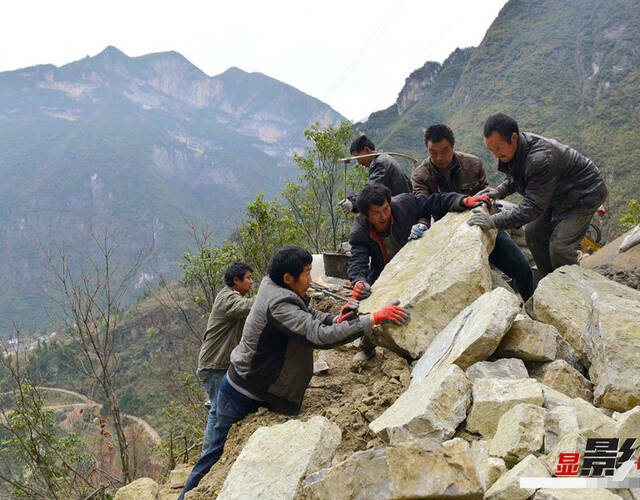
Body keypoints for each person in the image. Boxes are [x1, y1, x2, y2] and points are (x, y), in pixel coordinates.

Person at [178, 246, 410, 499]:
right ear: (288, 278)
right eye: (307, 273)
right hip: (244, 391)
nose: (311, 279)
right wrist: (373, 319)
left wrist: (335, 319)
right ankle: (187, 495)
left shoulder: (277, 287)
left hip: (253, 386)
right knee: (214, 455)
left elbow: (308, 313)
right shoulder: (279, 302)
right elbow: (318, 336)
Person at [347, 183, 489, 361]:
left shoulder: (403, 204)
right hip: (384, 274)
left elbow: (435, 201)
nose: (384, 216)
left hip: (414, 263)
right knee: (373, 304)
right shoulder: (359, 231)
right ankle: (367, 344)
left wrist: (463, 200)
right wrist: (358, 281)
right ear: (365, 215)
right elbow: (357, 261)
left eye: (385, 209)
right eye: (376, 213)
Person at [468, 113, 608, 277]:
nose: (495, 154)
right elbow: (518, 176)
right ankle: (550, 280)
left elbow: (531, 208)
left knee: (560, 247)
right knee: (534, 233)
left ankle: (574, 289)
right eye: (490, 150)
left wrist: (492, 221)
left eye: (497, 149)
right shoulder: (518, 148)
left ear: (513, 138)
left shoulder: (541, 158)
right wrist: (500, 190)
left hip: (584, 194)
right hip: (556, 194)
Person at [412, 124, 536, 301]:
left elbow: (486, 196)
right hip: (449, 239)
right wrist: (422, 224)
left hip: (482, 226)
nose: (439, 157)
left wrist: (491, 209)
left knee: (522, 267)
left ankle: (533, 308)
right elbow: (422, 206)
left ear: (453, 144)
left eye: (444, 151)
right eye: (433, 152)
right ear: (427, 149)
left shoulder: (472, 164)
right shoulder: (421, 175)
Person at [196, 262, 254, 453]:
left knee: (220, 408)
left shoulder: (231, 295)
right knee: (217, 410)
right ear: (236, 281)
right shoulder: (228, 297)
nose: (251, 282)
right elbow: (245, 307)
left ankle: (215, 452)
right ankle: (208, 456)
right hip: (215, 365)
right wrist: (269, 296)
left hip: (218, 364)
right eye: (248, 278)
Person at [338, 135, 411, 214]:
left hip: (400, 211)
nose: (359, 163)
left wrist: (353, 202)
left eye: (358, 158)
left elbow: (371, 192)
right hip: (404, 207)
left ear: (366, 150)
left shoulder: (380, 163)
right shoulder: (386, 159)